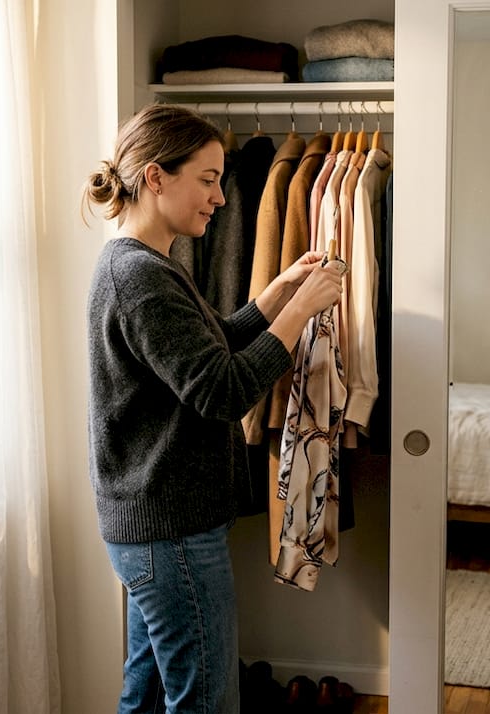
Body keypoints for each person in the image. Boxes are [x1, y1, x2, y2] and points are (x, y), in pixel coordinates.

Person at [81, 104, 346, 713]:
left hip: (152, 529)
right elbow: (220, 390)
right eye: (207, 179)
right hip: (170, 535)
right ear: (154, 177)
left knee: (145, 698)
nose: (221, 198)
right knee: (205, 703)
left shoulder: (142, 266)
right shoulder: (142, 278)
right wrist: (300, 312)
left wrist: (275, 295)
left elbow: (205, 347)